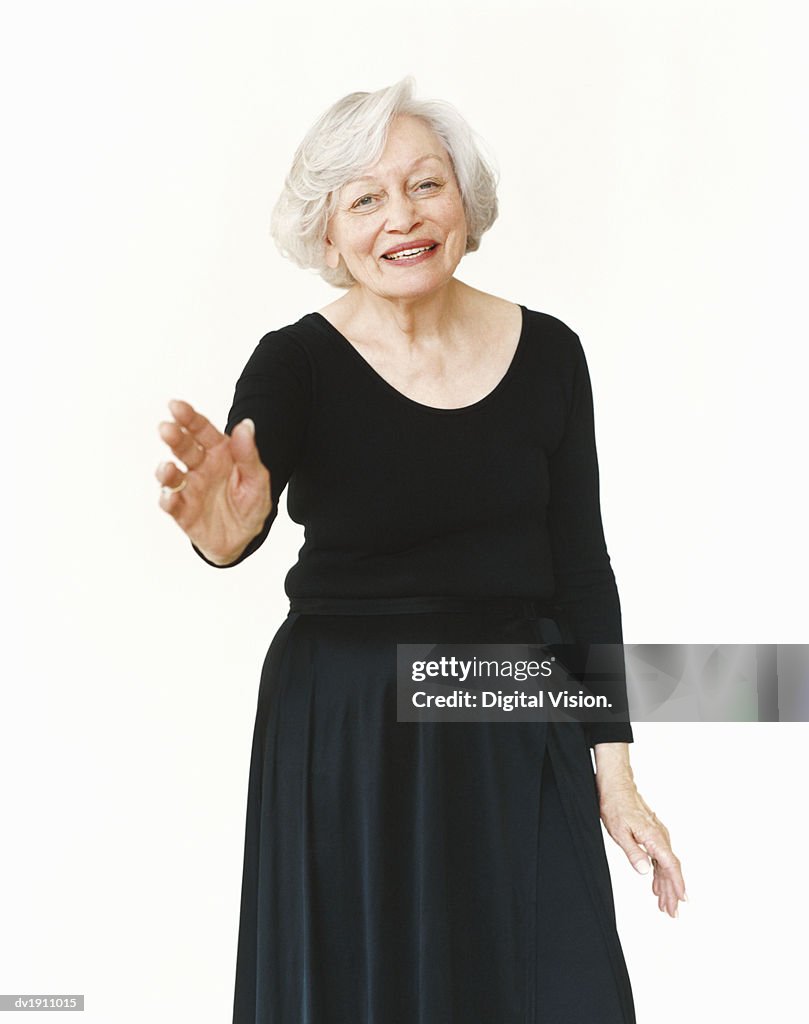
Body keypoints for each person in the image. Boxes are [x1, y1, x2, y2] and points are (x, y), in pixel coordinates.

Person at [156, 76, 685, 1024]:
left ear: (465, 202)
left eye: (424, 185)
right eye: (364, 199)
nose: (401, 217)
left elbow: (581, 574)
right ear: (326, 234)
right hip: (350, 727)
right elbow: (242, 504)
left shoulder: (551, 355)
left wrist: (615, 772)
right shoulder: (295, 363)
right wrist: (228, 535)